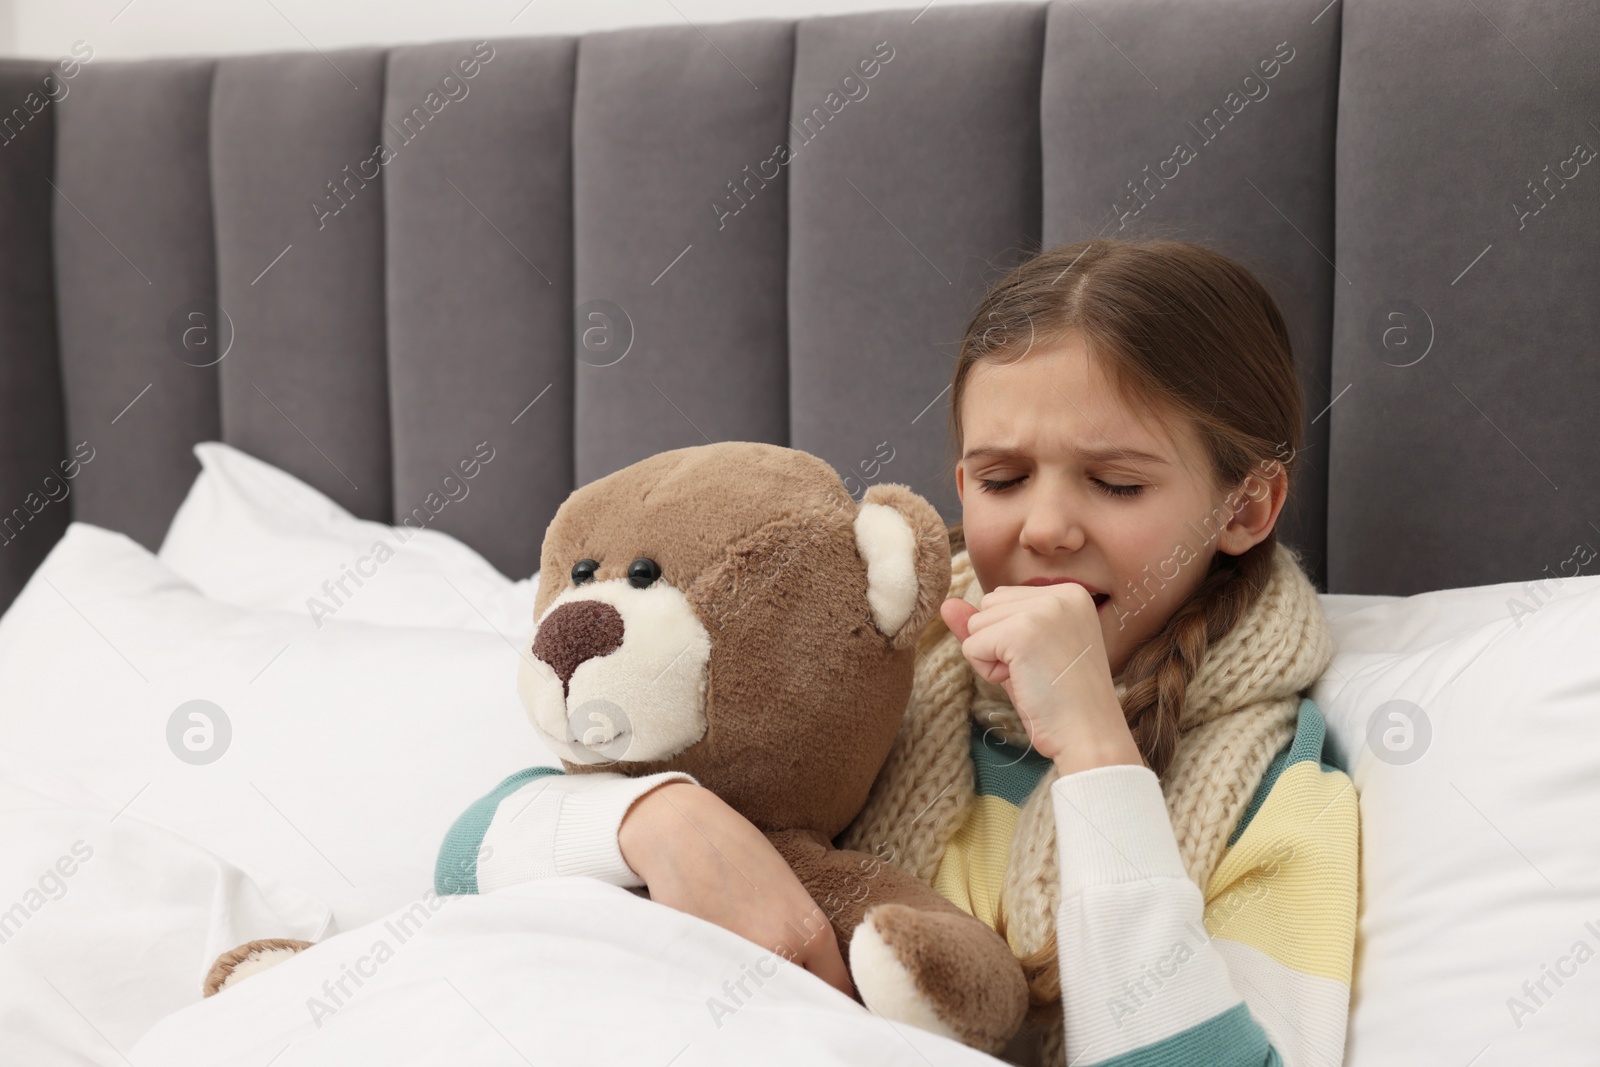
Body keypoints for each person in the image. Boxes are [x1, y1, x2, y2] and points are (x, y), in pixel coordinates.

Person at [435, 237, 1359, 1067]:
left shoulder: (1279, 789)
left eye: (1115, 483)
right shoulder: (879, 650)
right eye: (1001, 479)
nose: (1044, 526)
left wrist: (1096, 748)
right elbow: (471, 856)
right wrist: (662, 818)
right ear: (961, 481)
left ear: (1244, 508)